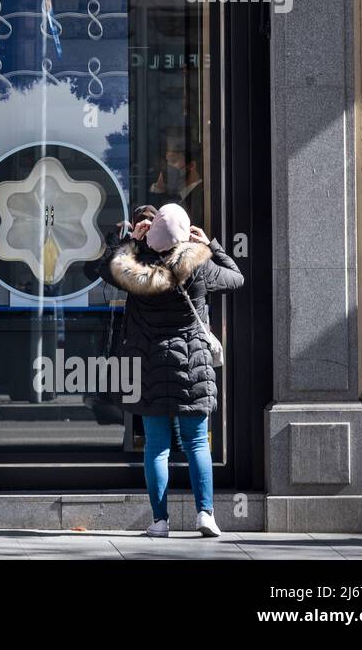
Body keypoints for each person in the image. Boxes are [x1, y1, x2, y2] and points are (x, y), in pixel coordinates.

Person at [97, 202, 243, 538]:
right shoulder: (200, 267)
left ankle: (160, 522)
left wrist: (132, 241)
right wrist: (211, 245)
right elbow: (237, 278)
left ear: (152, 234)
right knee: (195, 444)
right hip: (191, 365)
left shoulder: (135, 270)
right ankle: (205, 514)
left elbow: (106, 269)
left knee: (156, 446)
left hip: (148, 368)